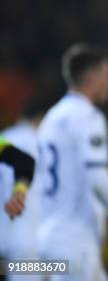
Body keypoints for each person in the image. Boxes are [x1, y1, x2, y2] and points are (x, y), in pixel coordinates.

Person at [37, 44, 108, 281]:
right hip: (75, 241)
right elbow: (97, 180)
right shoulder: (87, 116)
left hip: (51, 237)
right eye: (107, 76)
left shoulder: (51, 118)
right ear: (91, 79)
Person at [0, 97, 47, 281]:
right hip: (34, 234)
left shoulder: (7, 137)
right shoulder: (43, 143)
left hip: (7, 237)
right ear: (40, 117)